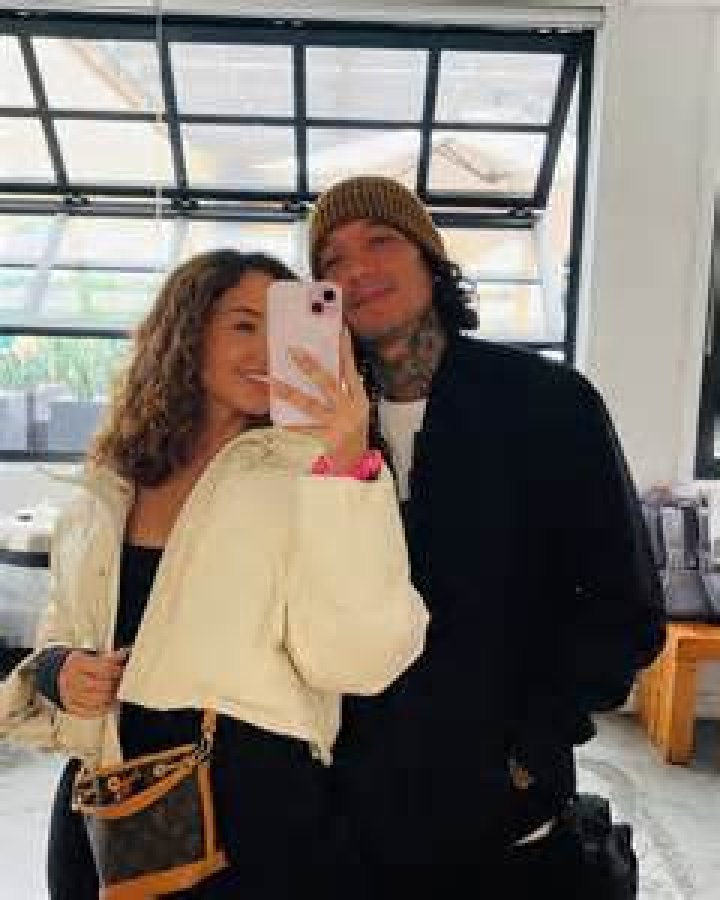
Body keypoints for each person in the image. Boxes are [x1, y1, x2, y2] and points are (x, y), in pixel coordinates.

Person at [0, 249, 428, 898]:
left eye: (283, 328)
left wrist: (346, 465)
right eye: (243, 325)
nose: (267, 349)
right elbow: (62, 623)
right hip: (108, 799)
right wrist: (60, 670)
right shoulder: (115, 478)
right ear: (186, 333)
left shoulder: (315, 470)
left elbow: (358, 660)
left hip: (248, 810)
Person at [309, 175, 666, 890]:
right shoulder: (311, 426)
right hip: (352, 808)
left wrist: (534, 741)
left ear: (430, 260)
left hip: (506, 811)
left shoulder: (546, 402)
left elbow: (623, 602)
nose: (356, 270)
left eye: (380, 241)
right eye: (331, 260)